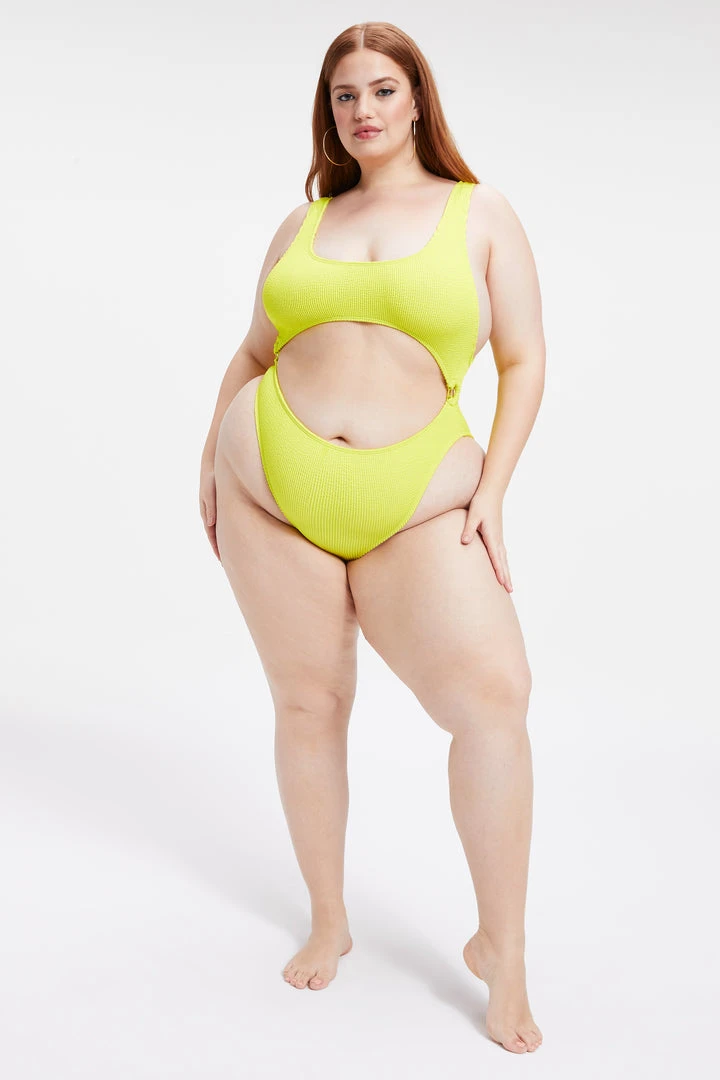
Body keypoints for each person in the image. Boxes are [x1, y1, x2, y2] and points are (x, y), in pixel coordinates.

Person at [199, 21, 545, 1055]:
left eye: (383, 90)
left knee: (494, 701)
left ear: (417, 98)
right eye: (345, 95)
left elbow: (523, 360)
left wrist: (495, 493)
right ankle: (329, 919)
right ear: (330, 111)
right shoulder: (302, 223)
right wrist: (208, 459)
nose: (363, 110)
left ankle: (504, 951)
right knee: (308, 701)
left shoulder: (480, 214)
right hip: (271, 480)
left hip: (420, 493)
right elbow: (253, 350)